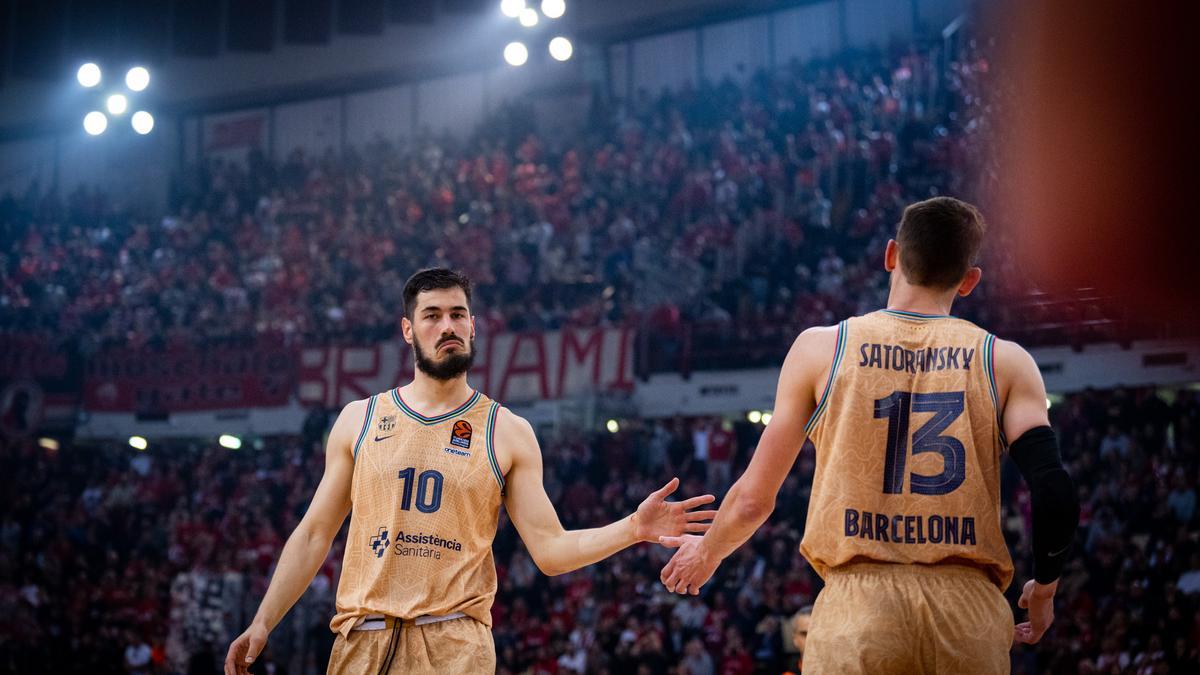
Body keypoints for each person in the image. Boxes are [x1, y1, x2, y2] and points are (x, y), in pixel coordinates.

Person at [659, 197, 1080, 673]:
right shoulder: (1004, 361)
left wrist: (708, 552)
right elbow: (1054, 492)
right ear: (968, 280)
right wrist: (1044, 589)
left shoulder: (823, 348)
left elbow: (754, 501)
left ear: (891, 255)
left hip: (858, 610)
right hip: (969, 613)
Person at [225, 268, 716, 675]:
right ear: (408, 330)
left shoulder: (507, 431)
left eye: (458, 315)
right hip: (360, 643)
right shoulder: (360, 418)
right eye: (432, 316)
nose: (447, 327)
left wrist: (633, 528)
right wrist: (264, 621)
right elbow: (314, 533)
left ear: (474, 326)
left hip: (455, 646)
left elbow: (550, 551)